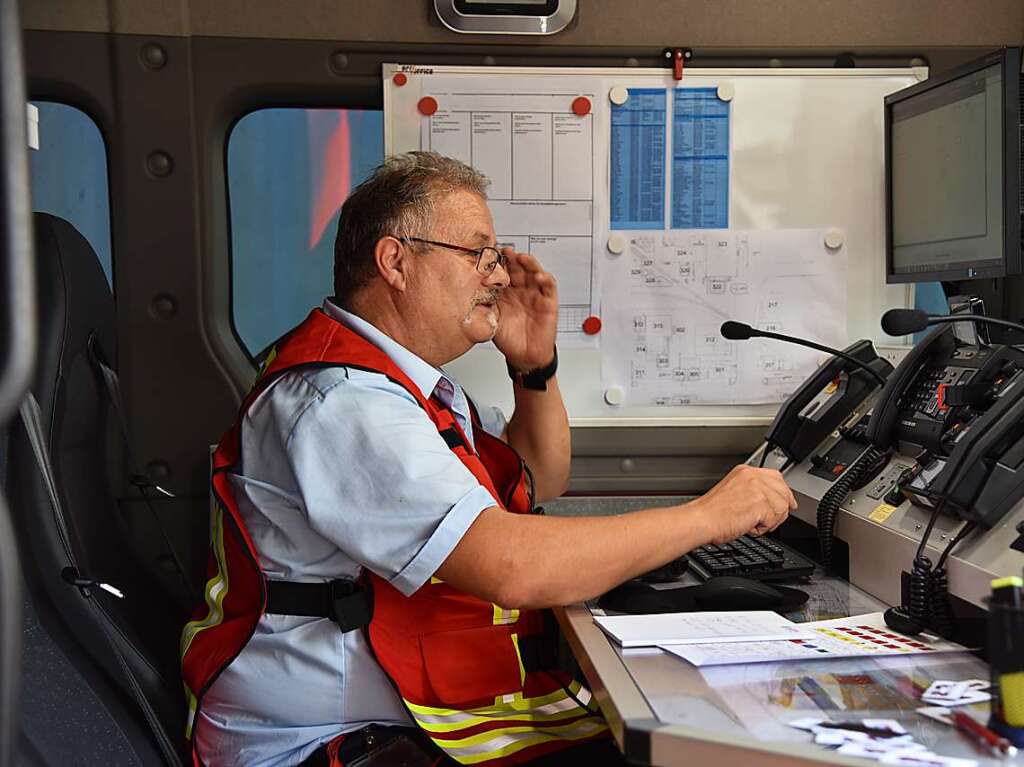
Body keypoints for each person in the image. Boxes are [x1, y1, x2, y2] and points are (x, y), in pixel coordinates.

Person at [180, 151, 796, 767]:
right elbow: (511, 566)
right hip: (319, 743)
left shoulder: (403, 384)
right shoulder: (344, 401)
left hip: (378, 716)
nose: (498, 276)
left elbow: (539, 477)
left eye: (494, 258)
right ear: (396, 262)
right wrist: (710, 516)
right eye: (479, 254)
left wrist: (533, 366)